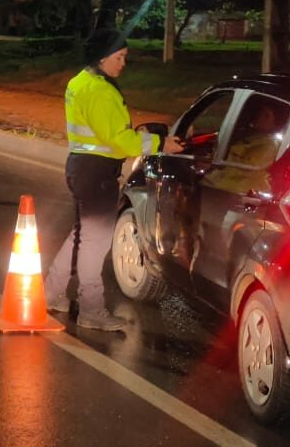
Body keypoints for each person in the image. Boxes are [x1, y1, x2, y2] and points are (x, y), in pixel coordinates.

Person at [44, 28, 185, 331]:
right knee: (94, 244)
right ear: (103, 57)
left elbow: (105, 132)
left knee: (81, 237)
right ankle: (92, 311)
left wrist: (137, 136)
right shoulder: (101, 91)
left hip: (81, 167)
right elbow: (118, 141)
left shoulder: (79, 82)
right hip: (97, 174)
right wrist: (160, 145)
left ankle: (50, 294)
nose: (123, 63)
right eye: (119, 57)